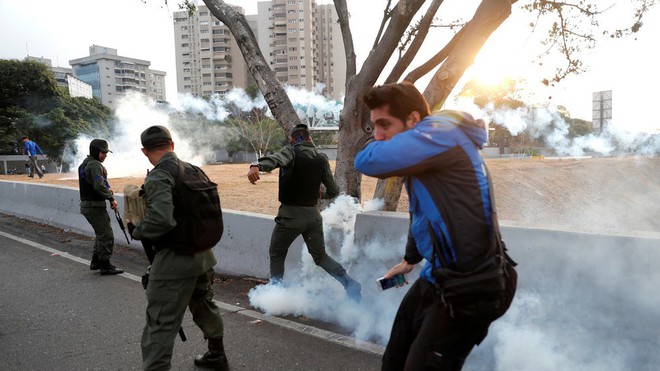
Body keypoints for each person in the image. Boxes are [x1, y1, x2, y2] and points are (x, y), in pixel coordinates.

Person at [354, 82, 517, 370]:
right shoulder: (427, 151)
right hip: (438, 275)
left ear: (413, 120)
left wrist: (374, 144)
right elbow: (423, 211)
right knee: (394, 359)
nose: (378, 135)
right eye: (373, 127)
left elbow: (367, 160)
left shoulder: (442, 133)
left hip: (473, 285)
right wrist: (410, 259)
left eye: (384, 125)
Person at [127, 125, 229, 371]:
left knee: (160, 323)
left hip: (175, 259)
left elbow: (162, 220)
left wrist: (136, 230)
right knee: (204, 304)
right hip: (203, 256)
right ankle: (217, 355)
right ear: (171, 145)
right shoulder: (194, 170)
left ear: (144, 151)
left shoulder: (160, 175)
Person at [247, 123, 362, 301]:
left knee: (277, 253)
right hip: (313, 218)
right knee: (321, 257)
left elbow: (276, 159)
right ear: (309, 138)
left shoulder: (292, 151)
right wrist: (321, 193)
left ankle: (275, 294)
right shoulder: (321, 158)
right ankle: (349, 283)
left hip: (290, 218)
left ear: (294, 140)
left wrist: (256, 165)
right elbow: (333, 190)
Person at [78, 139, 123, 275]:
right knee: (106, 234)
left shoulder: (85, 163)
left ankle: (96, 261)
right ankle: (105, 265)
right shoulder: (95, 165)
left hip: (89, 205)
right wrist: (111, 198)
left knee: (101, 233)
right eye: (103, 152)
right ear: (96, 151)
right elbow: (99, 186)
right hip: (94, 205)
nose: (105, 156)